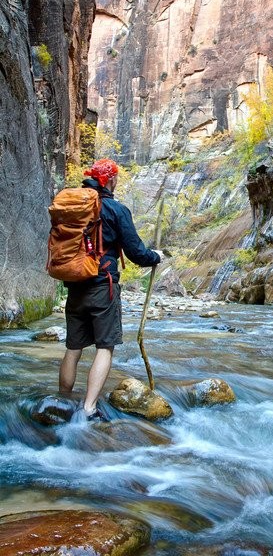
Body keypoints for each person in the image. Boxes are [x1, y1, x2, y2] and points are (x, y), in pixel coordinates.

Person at [58, 158, 162, 419]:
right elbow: (137, 253)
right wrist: (156, 257)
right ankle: (88, 408)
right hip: (103, 287)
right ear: (111, 180)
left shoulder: (74, 207)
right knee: (105, 347)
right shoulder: (116, 209)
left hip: (74, 285)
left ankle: (61, 402)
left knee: (73, 347)